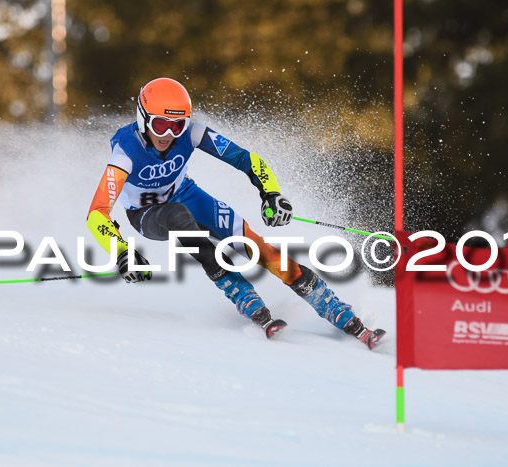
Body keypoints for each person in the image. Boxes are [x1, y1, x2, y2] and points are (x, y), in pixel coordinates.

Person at [87, 77, 384, 349]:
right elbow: (97, 213)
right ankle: (246, 297)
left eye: (176, 127)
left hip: (187, 195)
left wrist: (271, 193)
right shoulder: (124, 153)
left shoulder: (192, 134)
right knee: (180, 218)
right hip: (147, 215)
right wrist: (121, 251)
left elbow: (248, 159)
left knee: (257, 247)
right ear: (143, 118)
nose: (168, 135)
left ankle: (336, 310)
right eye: (160, 125)